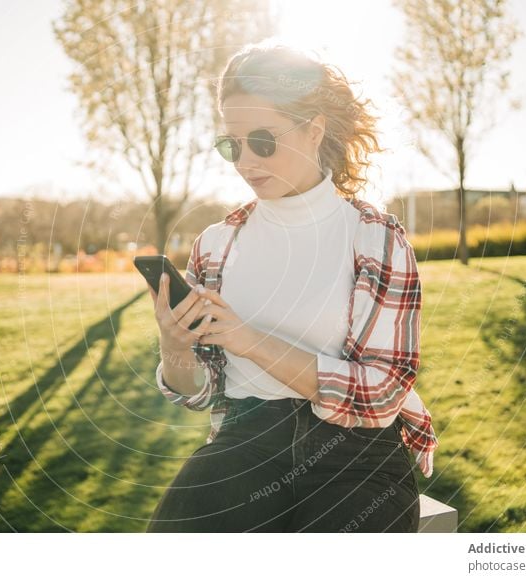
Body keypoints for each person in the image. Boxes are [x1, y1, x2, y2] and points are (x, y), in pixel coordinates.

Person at [145, 41, 438, 533]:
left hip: (358, 454)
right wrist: (175, 348)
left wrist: (251, 341)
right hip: (245, 442)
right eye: (231, 145)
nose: (245, 161)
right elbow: (203, 391)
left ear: (314, 129)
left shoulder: (375, 239)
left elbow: (382, 394)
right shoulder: (215, 246)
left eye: (262, 140)